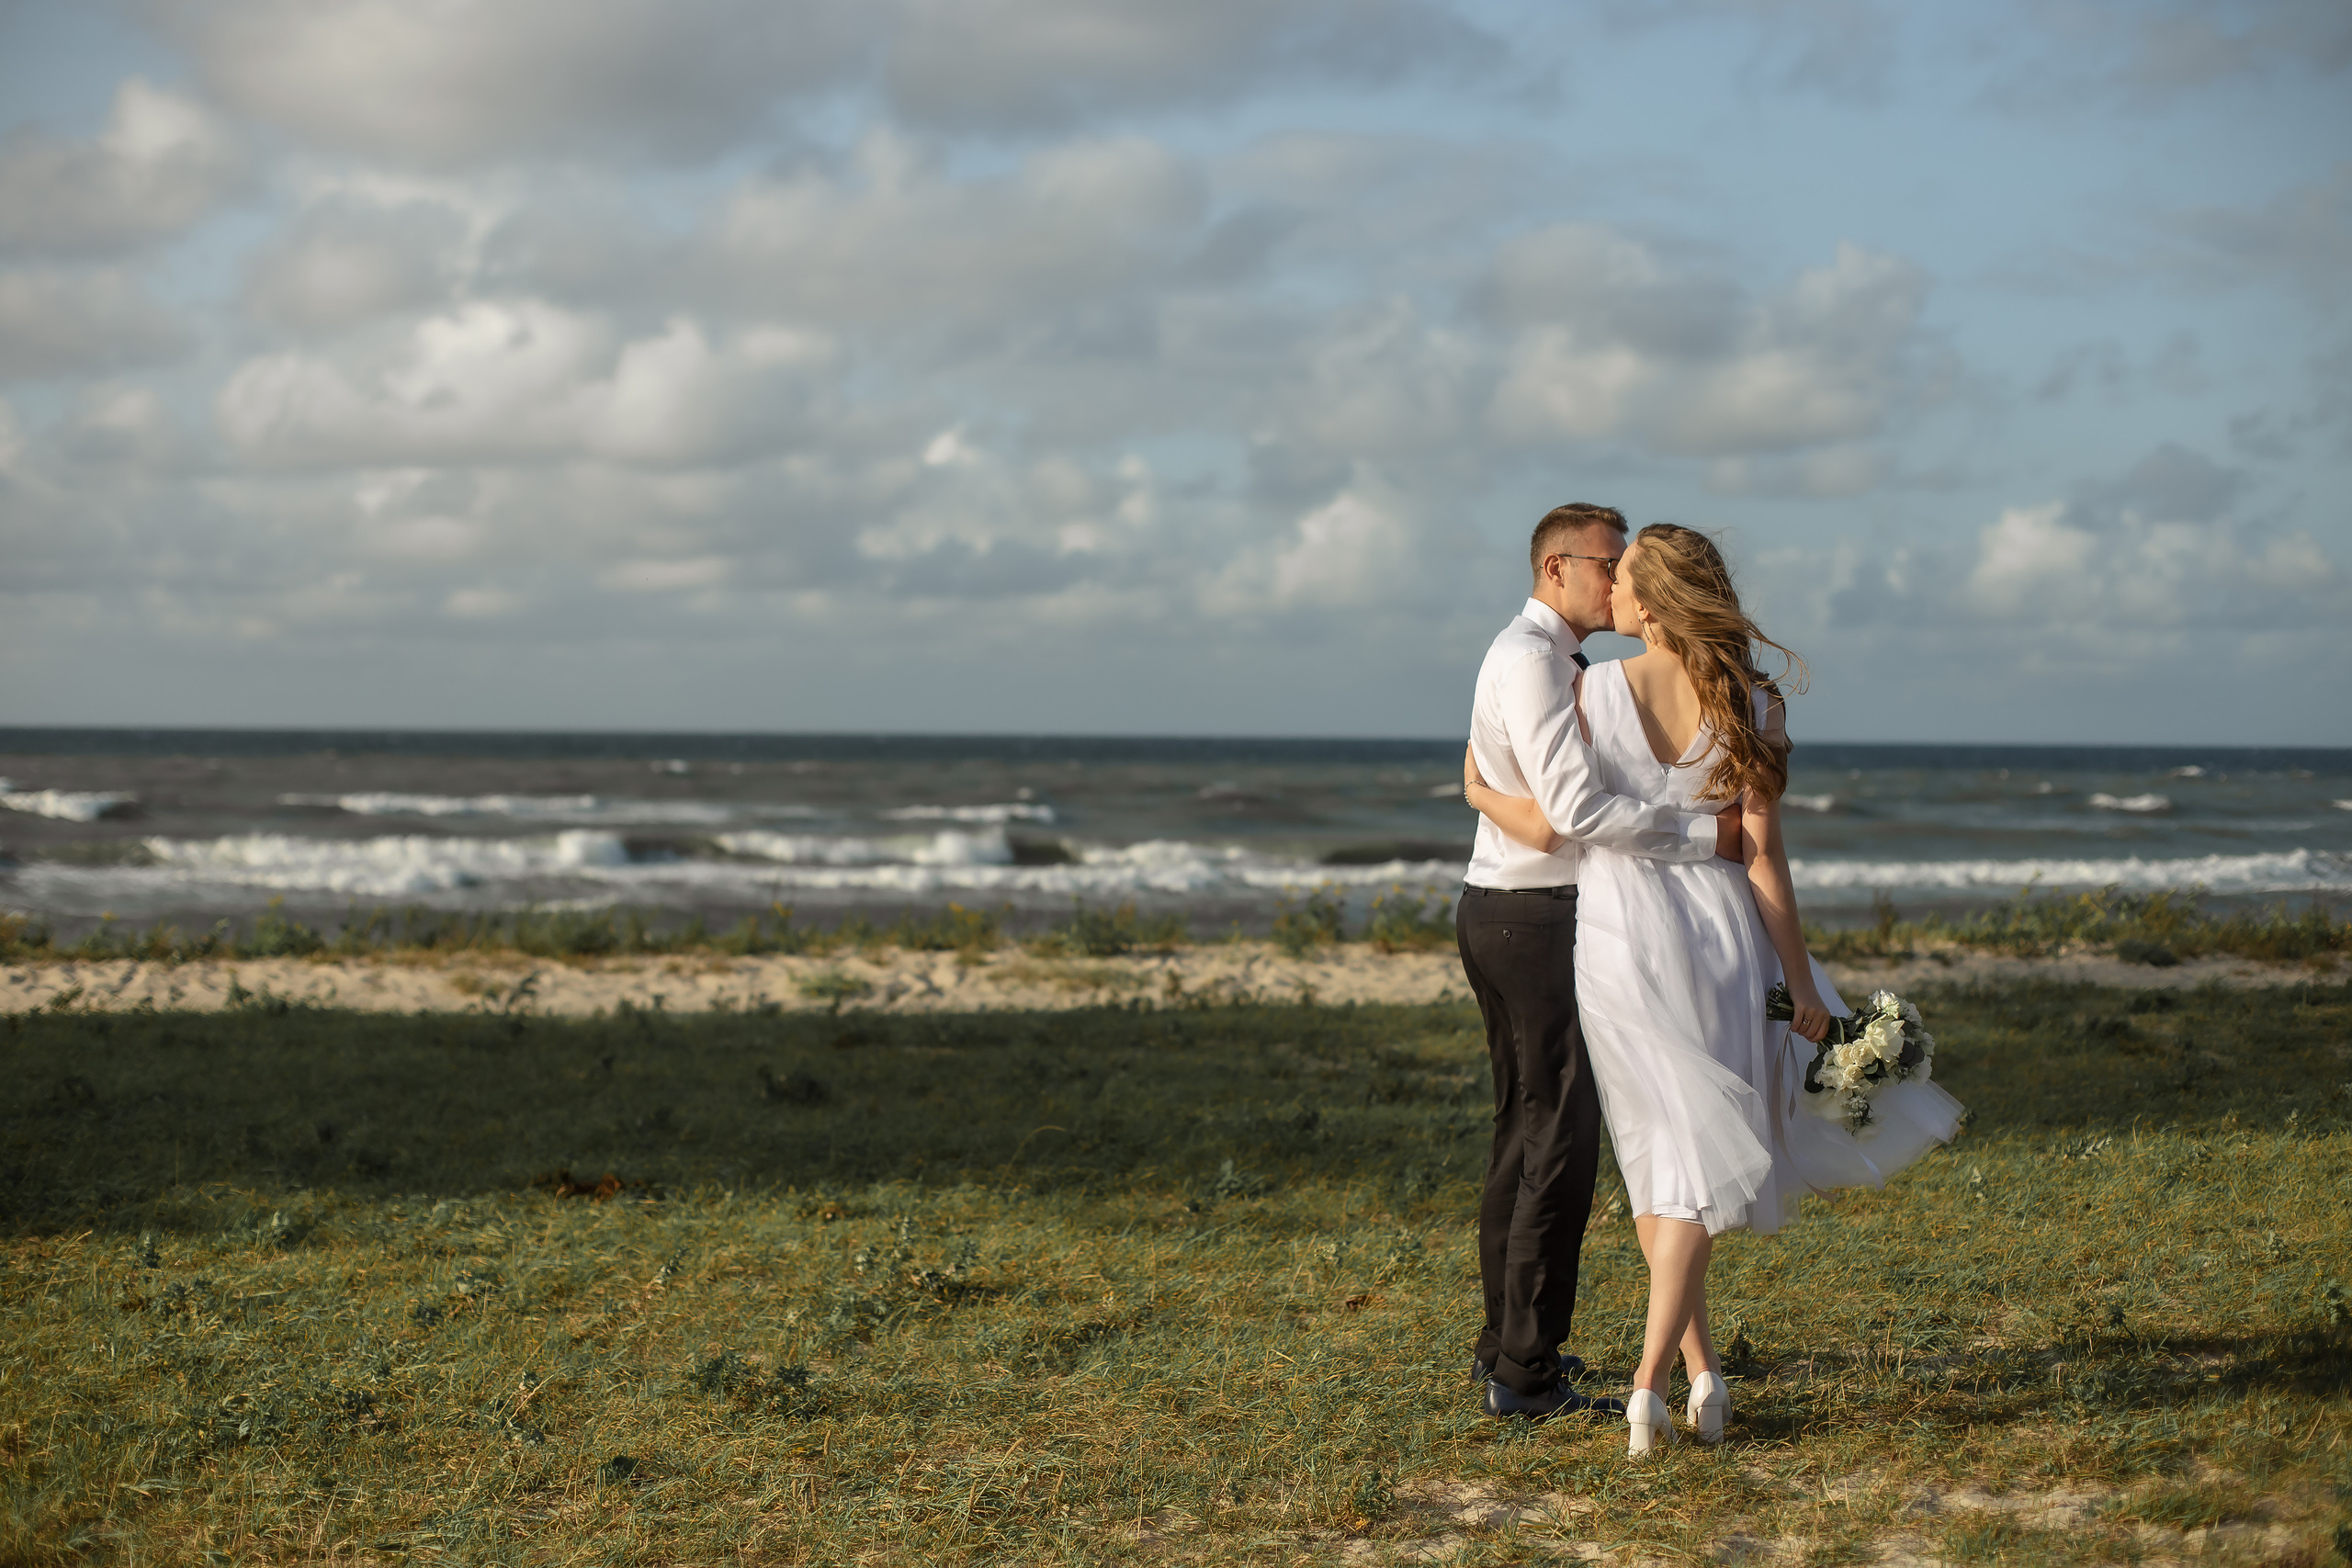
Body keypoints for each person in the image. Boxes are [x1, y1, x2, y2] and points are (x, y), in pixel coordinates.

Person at [1465, 522, 1963, 1454]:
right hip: (1725, 935)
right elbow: (1765, 856)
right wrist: (1795, 971)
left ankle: (1648, 1385)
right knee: (1675, 1162)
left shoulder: (1592, 688)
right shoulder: (1756, 701)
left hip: (1620, 939)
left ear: (1649, 604)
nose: (1607, 591)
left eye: (1622, 581)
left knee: (1665, 1158)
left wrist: (1483, 791)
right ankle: (1697, 1376)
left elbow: (1565, 813)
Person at [1457, 503, 1749, 1424]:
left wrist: (1474, 786)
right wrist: (1706, 835)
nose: (1620, 578)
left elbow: (1513, 790)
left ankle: (1507, 1349)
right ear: (1556, 569)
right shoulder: (1537, 663)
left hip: (1510, 905)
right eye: (1606, 562)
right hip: (1536, 915)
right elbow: (1568, 817)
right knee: (1558, 1143)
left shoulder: (1542, 661)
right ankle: (1527, 1376)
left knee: (1527, 1129)